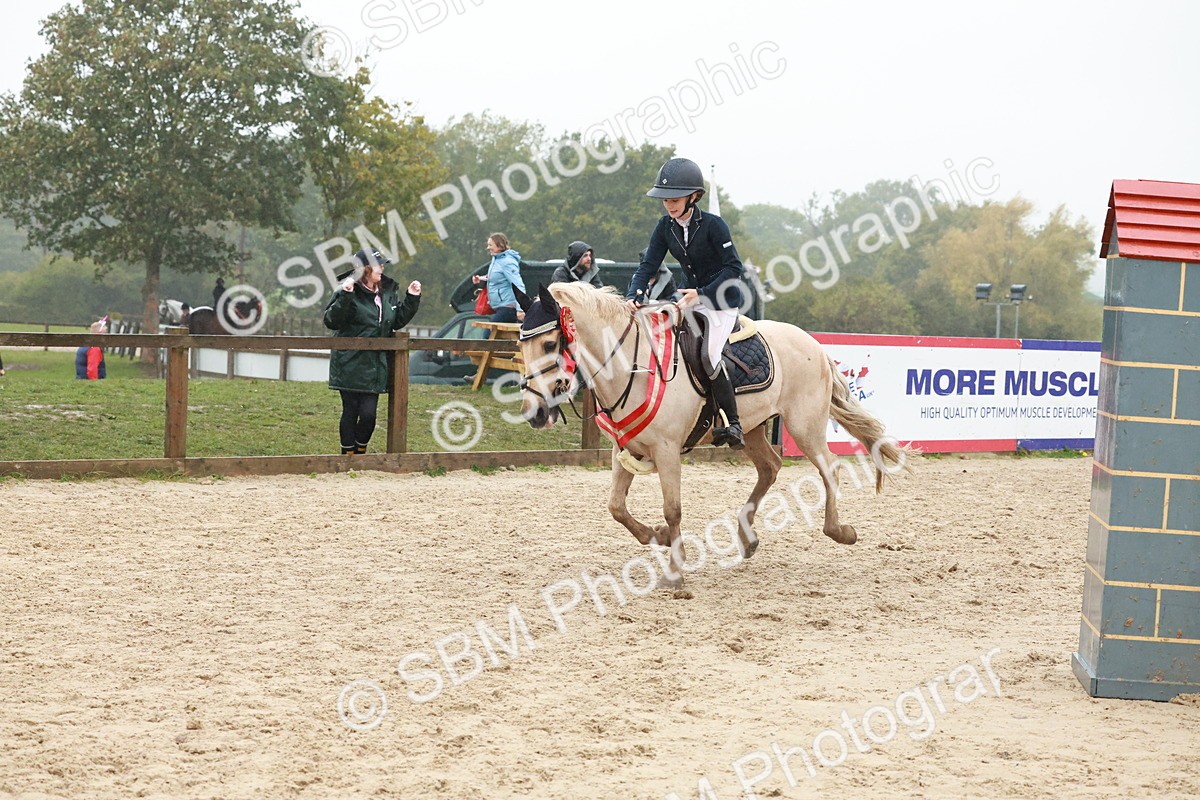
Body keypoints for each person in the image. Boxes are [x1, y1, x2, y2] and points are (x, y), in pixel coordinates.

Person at [626, 157, 749, 449]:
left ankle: (733, 424)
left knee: (709, 356)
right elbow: (648, 265)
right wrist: (634, 294)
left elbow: (734, 269)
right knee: (659, 338)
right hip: (687, 298)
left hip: (720, 301)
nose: (669, 204)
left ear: (694, 196)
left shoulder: (714, 225)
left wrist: (703, 293)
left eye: (675, 198)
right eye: (665, 199)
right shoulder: (664, 227)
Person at [323, 248, 421, 455]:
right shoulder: (346, 289)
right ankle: (348, 455)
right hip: (349, 363)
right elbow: (332, 321)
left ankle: (360, 451)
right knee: (350, 411)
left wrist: (412, 298)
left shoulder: (387, 292)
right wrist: (346, 297)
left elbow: (396, 321)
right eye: (378, 264)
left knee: (368, 414)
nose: (383, 268)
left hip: (375, 365)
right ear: (365, 269)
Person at [474, 233, 524, 323]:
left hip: (508, 307)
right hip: (500, 307)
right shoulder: (496, 260)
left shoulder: (507, 262)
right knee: (499, 336)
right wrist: (481, 279)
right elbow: (496, 276)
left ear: (500, 246)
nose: (488, 248)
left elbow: (518, 284)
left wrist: (520, 309)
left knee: (487, 335)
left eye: (490, 245)